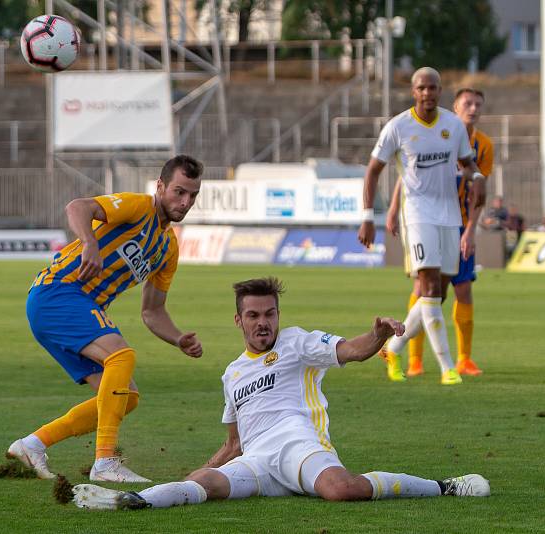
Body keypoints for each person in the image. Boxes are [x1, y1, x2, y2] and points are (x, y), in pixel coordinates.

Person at [70, 277, 490, 511]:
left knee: (341, 491)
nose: (263, 323)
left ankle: (446, 486)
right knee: (202, 484)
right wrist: (200, 470)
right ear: (239, 320)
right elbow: (233, 443)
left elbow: (351, 351)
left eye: (269, 313)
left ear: (278, 316)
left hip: (300, 448)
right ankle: (130, 500)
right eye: (253, 315)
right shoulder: (233, 374)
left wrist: (377, 336)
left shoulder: (296, 342)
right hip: (257, 463)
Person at [6, 155, 205, 483]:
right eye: (179, 192)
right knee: (121, 356)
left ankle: (32, 445)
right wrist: (89, 242)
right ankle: (106, 462)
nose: (185, 202)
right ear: (160, 187)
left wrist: (178, 337)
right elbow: (77, 207)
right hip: (59, 292)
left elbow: (152, 311)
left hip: (75, 307)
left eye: (193, 196)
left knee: (125, 397)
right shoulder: (137, 206)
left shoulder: (168, 248)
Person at [358, 67, 487, 386]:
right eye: (421, 88)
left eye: (432, 88)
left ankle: (392, 349)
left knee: (437, 295)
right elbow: (373, 170)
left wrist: (479, 177)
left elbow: (467, 163)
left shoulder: (452, 125)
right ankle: (447, 367)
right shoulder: (398, 127)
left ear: (440, 90)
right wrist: (367, 217)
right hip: (417, 215)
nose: (427, 93)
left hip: (449, 216)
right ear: (413, 91)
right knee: (428, 288)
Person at [386, 88, 493, 378]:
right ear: (455, 108)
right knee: (424, 289)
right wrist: (394, 209)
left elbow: (479, 192)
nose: (473, 109)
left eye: (477, 105)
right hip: (426, 218)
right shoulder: (438, 133)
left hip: (458, 221)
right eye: (467, 104)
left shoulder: (483, 146)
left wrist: (470, 230)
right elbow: (409, 176)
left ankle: (463, 359)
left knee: (457, 290)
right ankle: (415, 360)